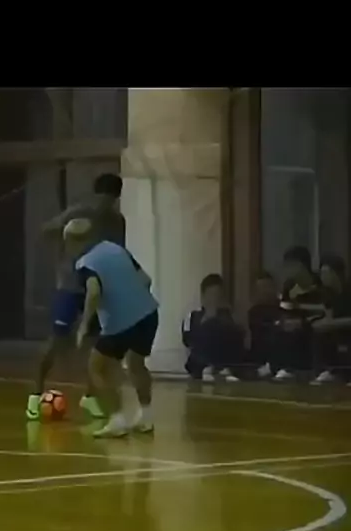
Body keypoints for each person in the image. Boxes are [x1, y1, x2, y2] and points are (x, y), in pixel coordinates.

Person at [26, 173, 126, 422]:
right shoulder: (78, 211)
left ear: (116, 198)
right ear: (96, 195)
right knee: (57, 340)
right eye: (102, 198)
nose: (104, 203)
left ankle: (90, 397)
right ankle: (35, 395)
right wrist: (66, 230)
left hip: (98, 289)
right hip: (70, 287)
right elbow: (46, 230)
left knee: (97, 347)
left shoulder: (117, 222)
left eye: (110, 199)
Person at [65, 217, 159, 438]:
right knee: (136, 364)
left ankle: (117, 419)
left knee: (97, 368)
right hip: (148, 314)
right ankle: (146, 417)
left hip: (120, 322)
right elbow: (146, 279)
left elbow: (94, 292)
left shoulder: (85, 263)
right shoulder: (115, 249)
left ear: (73, 242)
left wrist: (83, 326)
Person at [271, 245, 325, 381]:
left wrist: (301, 321)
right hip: (293, 324)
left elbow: (324, 311)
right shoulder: (289, 286)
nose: (286, 270)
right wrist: (284, 322)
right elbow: (284, 309)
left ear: (301, 266)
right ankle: (280, 369)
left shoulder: (320, 284)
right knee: (276, 330)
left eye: (290, 266)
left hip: (313, 324)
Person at [182, 274, 244, 382]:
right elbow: (188, 340)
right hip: (198, 367)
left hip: (225, 366)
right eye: (211, 295)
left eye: (218, 296)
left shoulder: (230, 317)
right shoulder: (192, 316)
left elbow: (239, 341)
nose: (214, 299)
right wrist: (206, 319)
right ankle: (207, 368)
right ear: (203, 297)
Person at [311, 254, 351, 385]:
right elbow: (328, 316)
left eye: (325, 272)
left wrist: (333, 323)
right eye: (321, 273)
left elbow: (334, 322)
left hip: (347, 330)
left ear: (336, 274)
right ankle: (327, 371)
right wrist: (320, 323)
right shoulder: (328, 294)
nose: (322, 276)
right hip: (339, 331)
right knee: (319, 333)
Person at [248, 272, 281, 378]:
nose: (265, 291)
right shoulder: (254, 312)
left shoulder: (284, 308)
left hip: (282, 361)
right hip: (259, 362)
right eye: (261, 288)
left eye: (268, 287)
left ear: (274, 288)